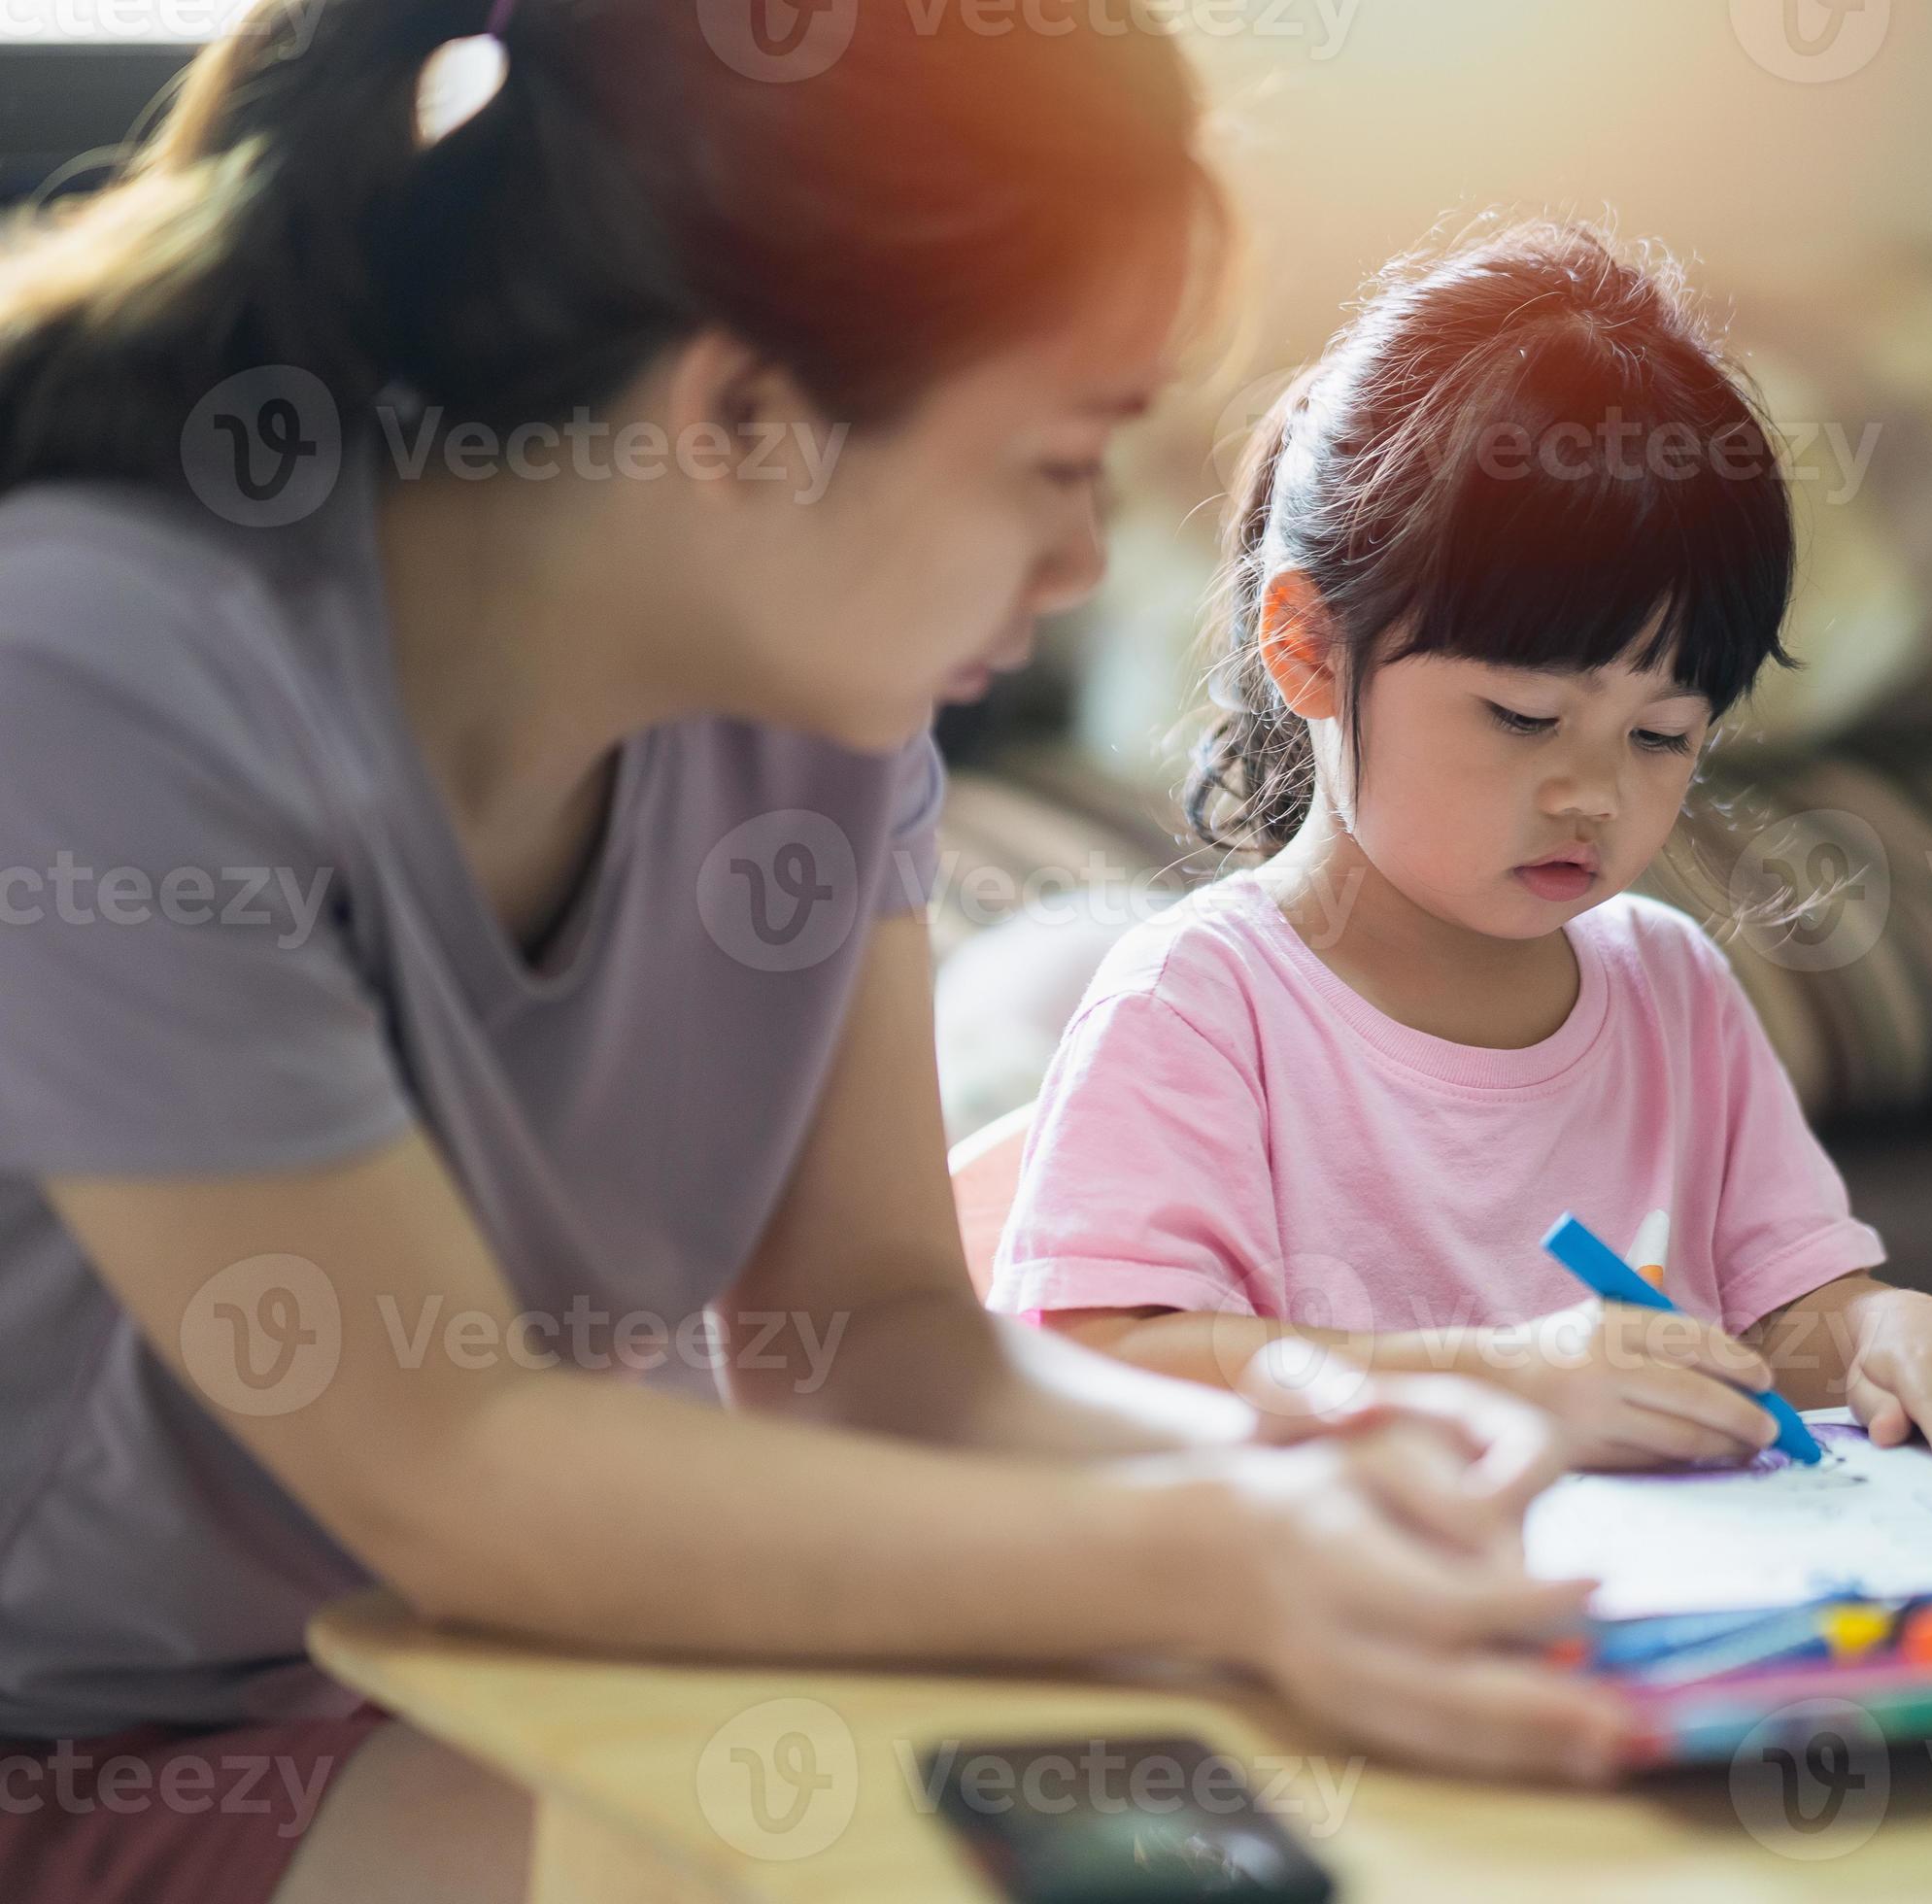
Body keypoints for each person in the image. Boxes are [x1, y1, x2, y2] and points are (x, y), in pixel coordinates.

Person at [0, 6, 1633, 1900]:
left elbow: (872, 1333)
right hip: (109, 1734)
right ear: (748, 422)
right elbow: (448, 1464)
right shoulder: (100, 679)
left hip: (547, 1642)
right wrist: (1223, 1554)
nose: (1087, 561)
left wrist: (1290, 1444)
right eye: (1056, 459)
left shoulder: (817, 710)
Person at [994, 223, 1932, 1472]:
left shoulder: (1673, 991)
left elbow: (1784, 1323)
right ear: (1305, 646)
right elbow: (1097, 1359)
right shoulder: (1201, 1009)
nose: (1591, 795)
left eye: (1663, 736)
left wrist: (1887, 1327)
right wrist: (1500, 1377)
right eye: (1524, 718)